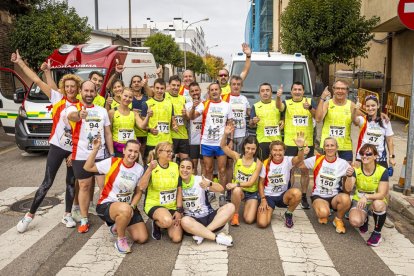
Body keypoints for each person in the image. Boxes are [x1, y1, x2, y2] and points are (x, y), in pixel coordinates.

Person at [12, 50, 81, 232]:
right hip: (58, 147)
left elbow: (82, 134)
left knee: (70, 182)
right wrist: (20, 62)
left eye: (73, 86)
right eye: (67, 86)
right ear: (64, 88)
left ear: (78, 88)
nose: (70, 89)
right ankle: (29, 216)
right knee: (47, 182)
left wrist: (74, 153)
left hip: (72, 150)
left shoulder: (82, 106)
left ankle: (67, 215)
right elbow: (36, 80)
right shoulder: (58, 99)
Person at [83, 138, 147, 253]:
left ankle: (118, 224)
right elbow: (87, 167)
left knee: (142, 238)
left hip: (127, 207)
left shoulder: (139, 169)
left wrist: (132, 206)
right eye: (130, 151)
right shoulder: (112, 162)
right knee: (125, 209)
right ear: (124, 150)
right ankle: (120, 240)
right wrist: (95, 149)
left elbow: (138, 192)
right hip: (107, 204)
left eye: (136, 152)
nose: (132, 154)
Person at [66, 80, 114, 233]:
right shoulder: (74, 107)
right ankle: (84, 218)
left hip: (101, 155)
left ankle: (109, 216)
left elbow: (108, 133)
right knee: (85, 187)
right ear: (80, 91)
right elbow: (72, 116)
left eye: (91, 91)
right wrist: (79, 115)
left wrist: (112, 154)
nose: (88, 94)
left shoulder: (102, 111)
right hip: (81, 156)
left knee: (105, 187)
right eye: (85, 91)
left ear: (95, 92)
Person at [298, 137, 352, 234]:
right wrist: (302, 152)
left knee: (346, 199)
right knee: (323, 213)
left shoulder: (343, 163)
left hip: (335, 196)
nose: (329, 148)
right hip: (319, 196)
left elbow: (349, 188)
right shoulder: (317, 159)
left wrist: (349, 176)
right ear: (324, 148)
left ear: (337, 148)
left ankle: (338, 219)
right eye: (327, 145)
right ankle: (324, 211)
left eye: (332, 145)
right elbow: (299, 164)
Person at [276, 81, 316, 209]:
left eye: (300, 89)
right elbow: (279, 107)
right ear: (291, 91)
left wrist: (309, 108)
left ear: (303, 91)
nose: (297, 91)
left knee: (305, 171)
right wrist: (278, 96)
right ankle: (289, 193)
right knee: (290, 170)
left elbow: (318, 116)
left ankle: (304, 196)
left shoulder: (309, 102)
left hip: (307, 142)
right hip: (290, 142)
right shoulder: (287, 103)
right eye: (295, 89)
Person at [194, 82, 234, 206]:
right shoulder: (204, 104)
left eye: (216, 89)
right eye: (212, 90)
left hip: (221, 143)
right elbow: (193, 116)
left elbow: (231, 124)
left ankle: (221, 194)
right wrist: (191, 109)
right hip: (206, 142)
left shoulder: (227, 106)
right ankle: (210, 192)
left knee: (222, 169)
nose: (214, 91)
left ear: (220, 91)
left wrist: (231, 140)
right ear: (209, 92)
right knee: (208, 169)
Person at [179, 158, 235, 246]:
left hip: (209, 218)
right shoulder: (176, 182)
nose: (185, 170)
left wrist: (209, 184)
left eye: (188, 168)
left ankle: (202, 234)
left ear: (193, 170)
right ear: (178, 169)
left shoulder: (199, 179)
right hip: (193, 221)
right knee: (184, 221)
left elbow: (220, 188)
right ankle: (216, 238)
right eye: (182, 167)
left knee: (231, 207)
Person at [256, 133, 306, 229]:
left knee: (297, 193)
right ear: (271, 151)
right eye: (275, 150)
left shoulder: (288, 161)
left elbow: (300, 158)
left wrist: (300, 148)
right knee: (262, 224)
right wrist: (263, 199)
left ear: (284, 151)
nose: (277, 153)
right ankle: (263, 209)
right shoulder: (265, 163)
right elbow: (261, 183)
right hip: (268, 196)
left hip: (283, 196)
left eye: (280, 150)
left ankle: (288, 213)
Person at [346, 144, 389, 246]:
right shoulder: (356, 169)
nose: (364, 156)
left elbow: (382, 194)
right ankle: (364, 219)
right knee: (355, 222)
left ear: (375, 156)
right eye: (362, 154)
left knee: (379, 204)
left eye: (368, 153)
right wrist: (348, 176)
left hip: (374, 200)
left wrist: (367, 197)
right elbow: (348, 189)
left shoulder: (382, 171)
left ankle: (377, 233)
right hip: (359, 200)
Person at [139, 142, 183, 242]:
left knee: (177, 238)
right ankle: (157, 222)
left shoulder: (175, 166)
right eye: (167, 151)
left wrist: (179, 210)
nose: (170, 154)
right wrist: (149, 170)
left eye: (171, 151)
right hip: (155, 204)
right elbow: (142, 187)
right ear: (159, 153)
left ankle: (165, 220)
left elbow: (179, 189)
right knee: (167, 221)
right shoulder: (151, 166)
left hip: (171, 206)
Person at [221, 124, 261, 226]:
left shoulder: (258, 162)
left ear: (256, 150)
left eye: (253, 149)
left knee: (249, 220)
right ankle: (235, 215)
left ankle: (253, 204)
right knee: (237, 190)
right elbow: (223, 146)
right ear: (244, 146)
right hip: (239, 191)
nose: (250, 151)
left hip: (251, 193)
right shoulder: (237, 156)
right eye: (248, 148)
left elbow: (251, 182)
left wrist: (236, 184)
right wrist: (225, 134)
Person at [316, 81, 358, 162]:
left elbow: (364, 117)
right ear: (333, 90)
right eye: (337, 88)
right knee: (328, 170)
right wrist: (322, 99)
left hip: (345, 145)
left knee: (346, 171)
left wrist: (380, 115)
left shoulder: (351, 105)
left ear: (347, 91)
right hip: (328, 144)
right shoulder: (327, 103)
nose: (340, 91)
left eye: (343, 89)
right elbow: (318, 119)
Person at [354, 95, 396, 169]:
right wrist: (355, 109)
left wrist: (391, 156)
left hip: (380, 158)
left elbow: (390, 141)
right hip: (363, 157)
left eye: (373, 105)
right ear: (364, 107)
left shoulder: (385, 121)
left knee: (382, 180)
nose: (370, 108)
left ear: (378, 106)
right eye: (368, 106)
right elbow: (355, 121)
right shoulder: (363, 120)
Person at [141, 78, 178, 159]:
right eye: (157, 88)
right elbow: (143, 126)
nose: (159, 91)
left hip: (167, 142)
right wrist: (150, 129)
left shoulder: (169, 104)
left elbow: (173, 121)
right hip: (153, 142)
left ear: (165, 90)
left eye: (162, 88)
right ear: (153, 88)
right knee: (152, 167)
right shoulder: (146, 104)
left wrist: (175, 125)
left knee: (167, 167)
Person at [109, 88, 151, 157]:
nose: (127, 99)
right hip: (117, 148)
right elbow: (109, 133)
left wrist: (148, 116)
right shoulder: (112, 112)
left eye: (130, 97)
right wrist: (111, 151)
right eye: (125, 96)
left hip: (132, 148)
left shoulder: (134, 113)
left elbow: (142, 126)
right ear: (121, 95)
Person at [249, 83, 283, 161]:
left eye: (267, 90)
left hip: (276, 141)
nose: (265, 93)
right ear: (259, 93)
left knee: (276, 166)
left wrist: (283, 120)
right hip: (262, 141)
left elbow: (283, 115)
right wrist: (253, 121)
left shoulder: (277, 104)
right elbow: (251, 124)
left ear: (271, 92)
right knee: (262, 166)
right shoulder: (255, 106)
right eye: (262, 91)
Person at [165, 75, 190, 161]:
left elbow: (187, 118)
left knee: (185, 162)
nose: (176, 87)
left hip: (183, 135)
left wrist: (185, 115)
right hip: (171, 136)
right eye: (173, 85)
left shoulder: (183, 98)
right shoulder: (164, 96)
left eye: (178, 85)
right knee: (169, 161)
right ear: (169, 85)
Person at [185, 82, 205, 175]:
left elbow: (191, 116)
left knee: (204, 164)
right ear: (189, 93)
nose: (195, 93)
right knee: (193, 164)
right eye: (192, 91)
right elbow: (189, 118)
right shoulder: (187, 105)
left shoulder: (206, 103)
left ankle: (204, 187)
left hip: (204, 140)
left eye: (196, 90)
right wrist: (193, 107)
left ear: (200, 90)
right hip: (192, 139)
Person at [130, 75, 150, 157]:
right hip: (134, 131)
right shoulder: (128, 97)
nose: (136, 83)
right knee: (135, 156)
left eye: (138, 81)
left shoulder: (147, 97)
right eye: (134, 82)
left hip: (146, 132)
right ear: (131, 85)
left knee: (145, 156)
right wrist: (132, 111)